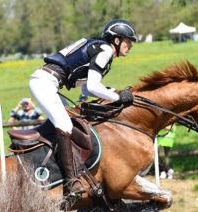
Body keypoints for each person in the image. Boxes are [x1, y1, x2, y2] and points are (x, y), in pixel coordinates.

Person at [28, 19, 137, 199]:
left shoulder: (99, 48)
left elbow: (87, 87)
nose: (131, 45)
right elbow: (94, 87)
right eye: (128, 40)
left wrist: (112, 92)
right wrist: (118, 97)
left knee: (71, 119)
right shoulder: (105, 51)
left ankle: (59, 165)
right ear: (116, 40)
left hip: (46, 82)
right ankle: (71, 183)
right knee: (64, 125)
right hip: (45, 83)